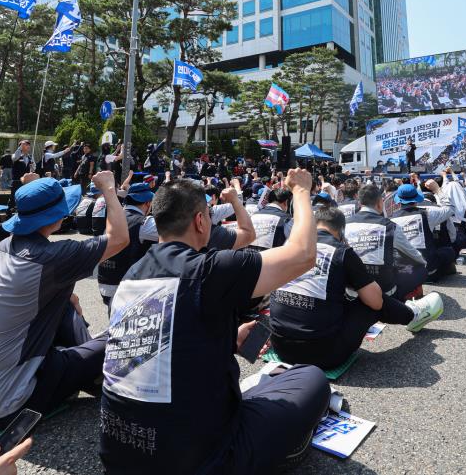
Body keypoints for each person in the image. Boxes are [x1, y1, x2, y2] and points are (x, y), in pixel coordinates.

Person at [99, 169, 330, 475]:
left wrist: (227, 339)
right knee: (310, 380)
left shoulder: (132, 275)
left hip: (118, 455)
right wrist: (301, 191)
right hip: (199, 460)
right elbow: (302, 255)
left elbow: (154, 348)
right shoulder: (209, 269)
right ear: (200, 221)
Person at [0, 171, 129, 423]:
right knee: (121, 334)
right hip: (7, 404)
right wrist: (109, 189)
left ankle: (85, 371)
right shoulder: (53, 258)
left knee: (66, 304)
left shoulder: (0, 248)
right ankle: (93, 376)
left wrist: (69, 297)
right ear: (60, 216)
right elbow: (119, 238)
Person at [269, 206, 444, 369]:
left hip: (281, 348)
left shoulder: (289, 247)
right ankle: (413, 315)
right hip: (324, 355)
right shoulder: (342, 252)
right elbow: (375, 302)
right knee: (370, 299)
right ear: (341, 230)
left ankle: (411, 314)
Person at [346, 182, 427, 300]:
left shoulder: (345, 224)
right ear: (380, 203)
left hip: (352, 291)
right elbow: (412, 254)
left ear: (360, 203)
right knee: (421, 270)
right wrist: (423, 262)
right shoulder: (390, 226)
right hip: (385, 292)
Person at [97, 183, 154, 311]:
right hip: (126, 287)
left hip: (105, 282)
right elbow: (173, 232)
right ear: (147, 203)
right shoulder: (144, 223)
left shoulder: (113, 219)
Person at [390, 184, 457, 280]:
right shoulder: (428, 213)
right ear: (416, 198)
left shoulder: (391, 219)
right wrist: (437, 190)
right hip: (428, 268)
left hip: (404, 269)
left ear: (399, 200)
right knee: (449, 251)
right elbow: (450, 208)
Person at [10, 140, 34, 209]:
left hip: (26, 182)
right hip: (17, 181)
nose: (28, 146)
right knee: (13, 198)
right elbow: (14, 158)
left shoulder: (30, 157)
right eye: (26, 144)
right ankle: (9, 213)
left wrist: (32, 168)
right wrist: (20, 148)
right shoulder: (15, 155)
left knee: (25, 198)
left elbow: (33, 168)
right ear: (21, 146)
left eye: (28, 145)